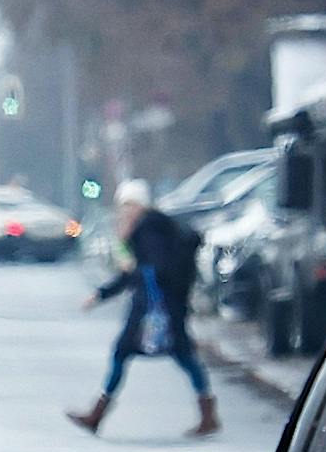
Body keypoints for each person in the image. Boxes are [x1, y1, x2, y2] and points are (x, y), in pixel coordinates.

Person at [68, 179, 220, 437]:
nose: (124, 211)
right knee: (179, 355)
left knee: (129, 353)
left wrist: (111, 288)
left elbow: (151, 269)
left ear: (140, 205)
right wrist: (102, 293)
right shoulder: (152, 227)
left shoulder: (148, 230)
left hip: (155, 309)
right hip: (164, 307)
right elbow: (143, 269)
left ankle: (97, 415)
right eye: (122, 205)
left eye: (129, 205)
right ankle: (207, 412)